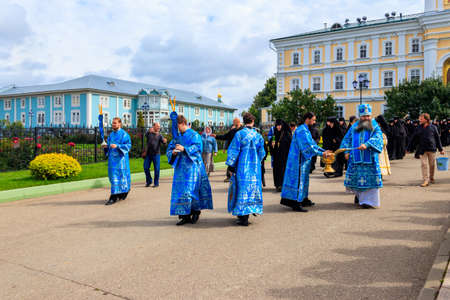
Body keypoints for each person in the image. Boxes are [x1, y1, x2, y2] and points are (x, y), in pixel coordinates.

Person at [167, 115, 213, 225]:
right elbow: (170, 148)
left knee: (191, 191)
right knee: (181, 192)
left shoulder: (194, 135)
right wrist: (172, 152)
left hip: (192, 167)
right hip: (180, 169)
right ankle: (184, 216)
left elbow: (198, 148)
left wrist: (185, 149)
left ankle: (196, 211)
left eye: (178, 126)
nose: (177, 129)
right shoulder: (178, 136)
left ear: (183, 123)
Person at [280, 112, 331, 212]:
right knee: (298, 181)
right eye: (313, 120)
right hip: (297, 160)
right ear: (307, 119)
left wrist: (323, 151)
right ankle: (295, 203)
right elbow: (307, 146)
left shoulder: (305, 129)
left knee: (304, 180)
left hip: (303, 160)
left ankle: (303, 199)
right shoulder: (301, 130)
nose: (314, 122)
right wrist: (322, 154)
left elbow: (313, 144)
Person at [340, 104, 384, 209]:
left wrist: (367, 144)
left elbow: (378, 138)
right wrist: (345, 151)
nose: (366, 118)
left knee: (369, 182)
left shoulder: (375, 125)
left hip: (370, 159)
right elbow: (346, 139)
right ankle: (359, 197)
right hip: (356, 159)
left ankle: (368, 202)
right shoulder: (354, 126)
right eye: (364, 116)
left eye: (368, 116)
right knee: (357, 180)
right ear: (360, 116)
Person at [226, 113, 265, 226]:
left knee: (242, 190)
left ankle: (243, 217)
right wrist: (256, 161)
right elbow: (262, 153)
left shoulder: (239, 134)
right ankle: (249, 212)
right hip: (254, 168)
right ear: (253, 121)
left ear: (244, 121)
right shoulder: (258, 136)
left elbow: (234, 151)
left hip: (242, 167)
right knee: (252, 189)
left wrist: (231, 166)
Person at [407, 113, 445, 187]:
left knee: (432, 165)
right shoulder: (418, 128)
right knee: (424, 165)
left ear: (426, 119)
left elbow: (437, 139)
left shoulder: (433, 127)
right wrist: (408, 148)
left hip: (432, 149)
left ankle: (431, 177)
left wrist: (441, 149)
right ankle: (425, 180)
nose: (419, 120)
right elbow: (413, 139)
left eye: (421, 119)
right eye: (419, 118)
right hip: (422, 149)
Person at [103, 117, 132, 205]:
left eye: (115, 123)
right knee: (113, 177)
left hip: (121, 161)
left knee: (121, 177)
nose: (113, 125)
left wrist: (118, 146)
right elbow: (109, 145)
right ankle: (122, 192)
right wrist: (105, 147)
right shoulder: (111, 135)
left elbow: (128, 145)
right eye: (112, 123)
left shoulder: (124, 134)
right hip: (112, 160)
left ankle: (114, 197)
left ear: (119, 124)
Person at [212, 118, 243, 182]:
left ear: (239, 122)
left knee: (240, 164)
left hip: (241, 150)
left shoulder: (243, 130)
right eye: (234, 122)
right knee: (230, 164)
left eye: (235, 122)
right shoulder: (232, 131)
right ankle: (229, 177)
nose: (234, 123)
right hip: (233, 151)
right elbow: (225, 136)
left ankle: (240, 177)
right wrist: (216, 136)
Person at [269, 119, 292, 191]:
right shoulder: (275, 134)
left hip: (284, 156)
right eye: (277, 126)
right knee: (276, 171)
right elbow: (271, 144)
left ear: (282, 126)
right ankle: (277, 185)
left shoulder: (287, 134)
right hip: (276, 156)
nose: (278, 127)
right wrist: (271, 144)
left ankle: (283, 185)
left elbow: (290, 145)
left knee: (283, 171)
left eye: (279, 126)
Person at [143, 122, 167, 187]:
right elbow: (145, 135)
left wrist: (165, 141)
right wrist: (148, 131)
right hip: (148, 154)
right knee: (145, 167)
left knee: (156, 169)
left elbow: (164, 142)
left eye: (159, 126)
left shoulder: (160, 135)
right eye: (157, 126)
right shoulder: (149, 133)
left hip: (156, 154)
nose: (159, 127)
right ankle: (149, 181)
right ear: (153, 126)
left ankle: (156, 183)